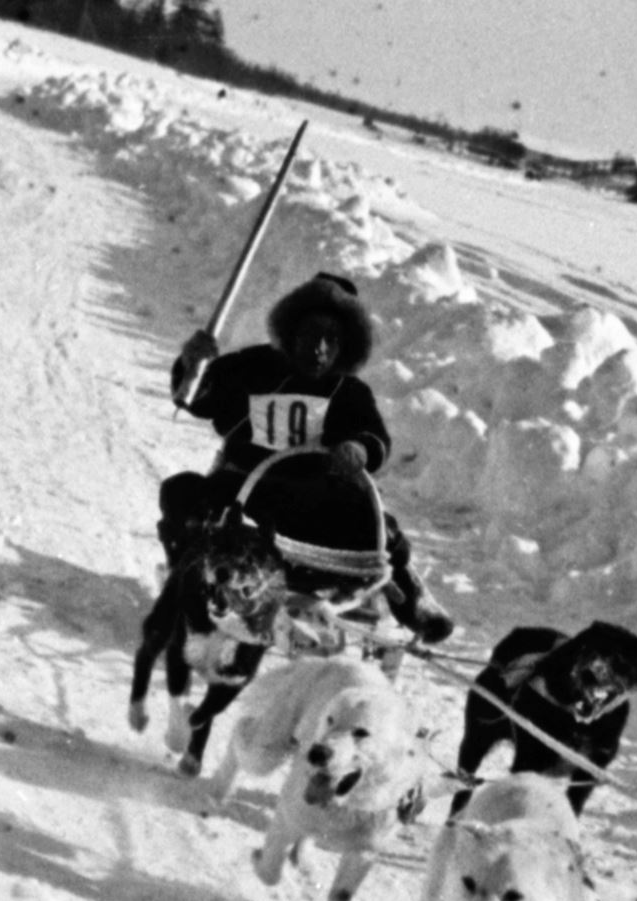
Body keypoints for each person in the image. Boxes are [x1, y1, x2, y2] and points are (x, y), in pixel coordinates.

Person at [162, 269, 451, 638]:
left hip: (315, 503)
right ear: (291, 332)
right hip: (245, 492)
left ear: (346, 346)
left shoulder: (349, 391)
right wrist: (193, 365)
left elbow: (373, 435)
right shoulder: (253, 367)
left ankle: (411, 600)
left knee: (383, 529)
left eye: (332, 340)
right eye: (312, 335)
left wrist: (358, 448)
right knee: (181, 494)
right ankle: (186, 589)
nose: (320, 349)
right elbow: (200, 398)